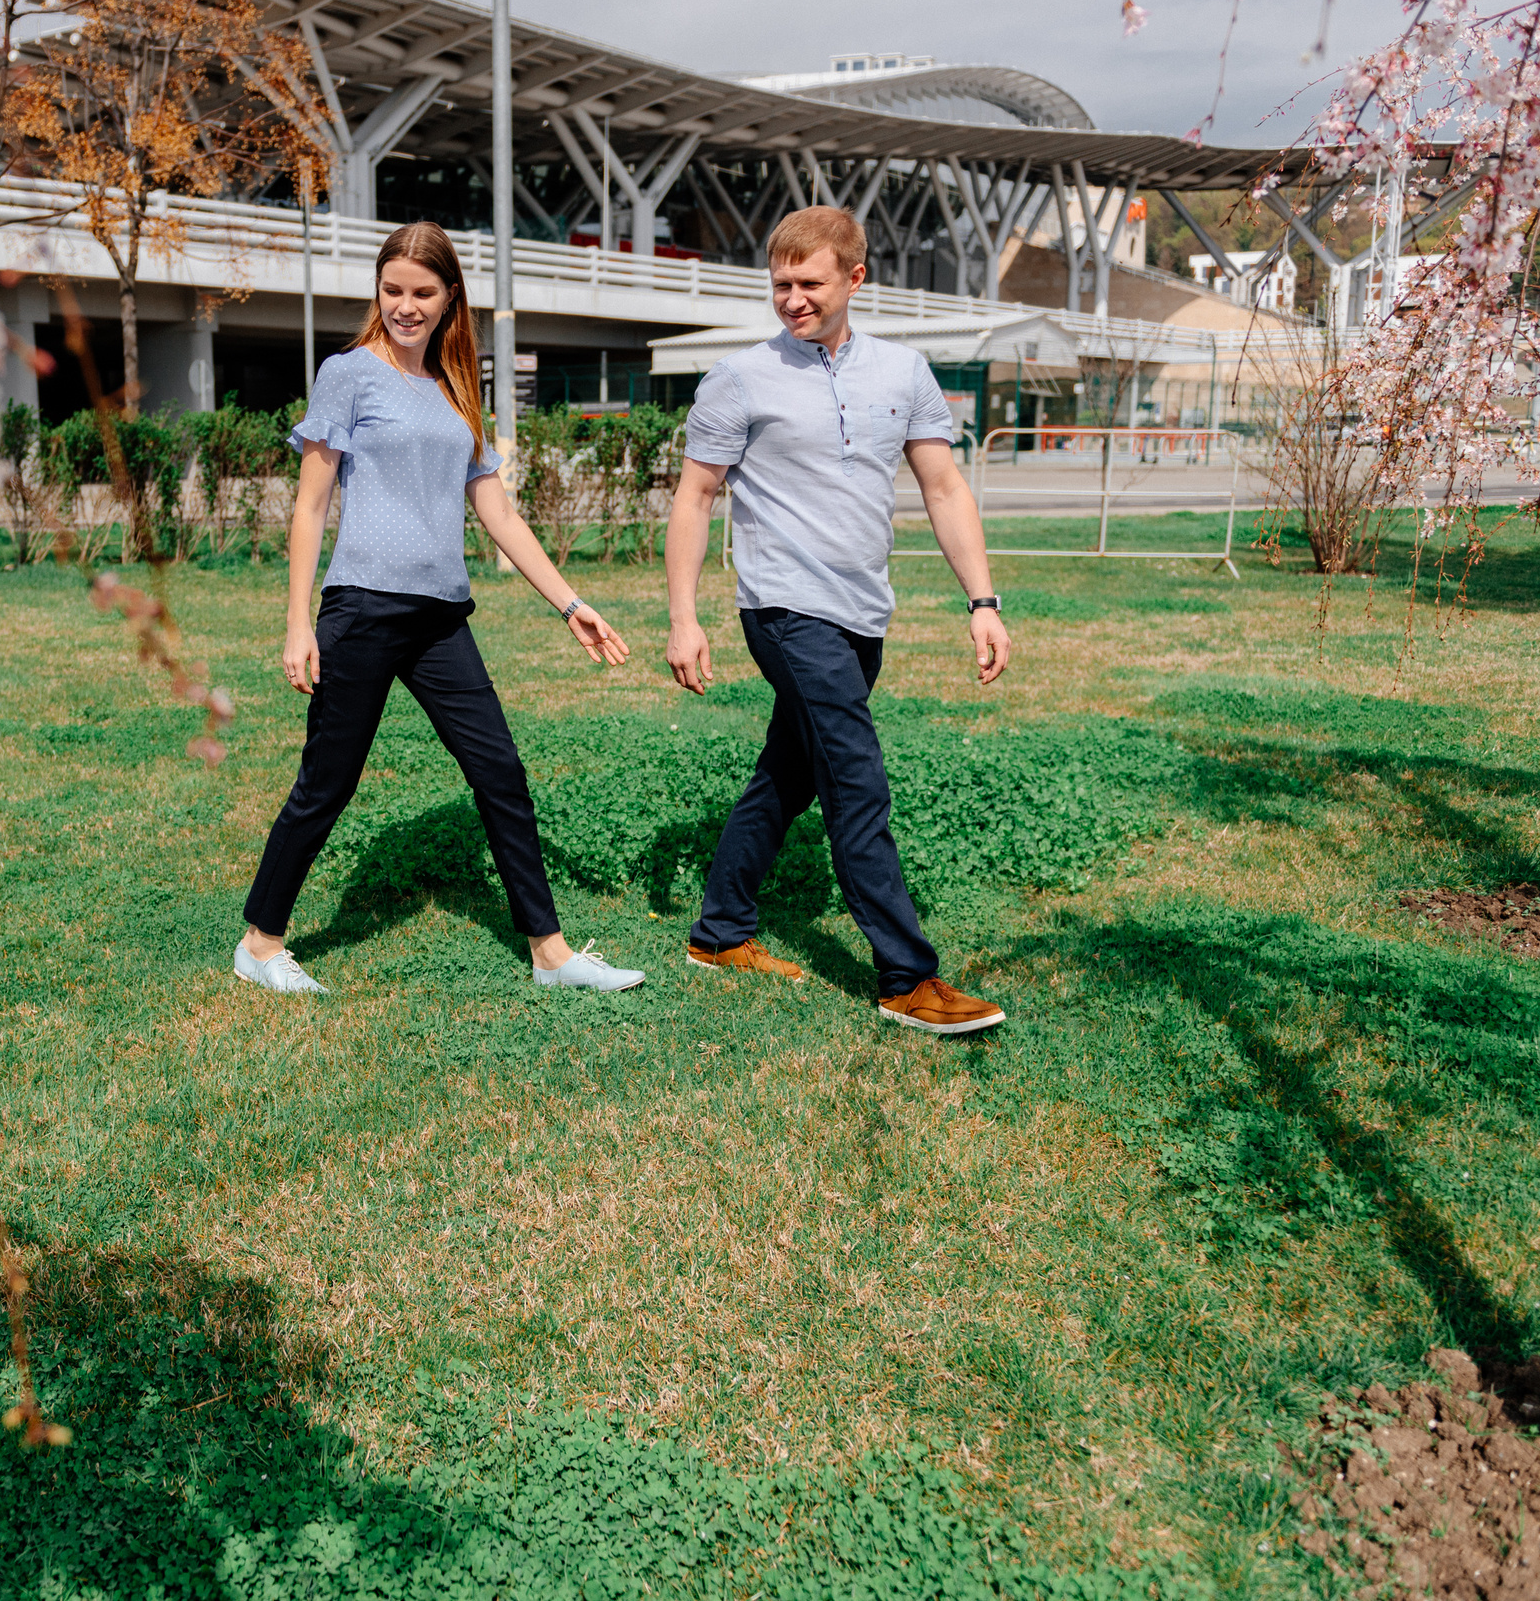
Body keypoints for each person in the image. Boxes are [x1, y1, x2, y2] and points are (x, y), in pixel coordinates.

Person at [235, 221, 645, 996]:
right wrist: (298, 623)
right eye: (393, 291)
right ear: (378, 291)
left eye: (423, 293)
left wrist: (571, 604)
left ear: (451, 297)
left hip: (441, 618)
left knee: (500, 771)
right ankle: (260, 941)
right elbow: (310, 507)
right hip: (359, 610)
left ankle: (550, 954)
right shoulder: (348, 373)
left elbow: (500, 514)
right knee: (329, 781)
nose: (406, 306)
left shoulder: (457, 391)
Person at [665, 206, 1012, 1034]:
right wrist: (684, 617)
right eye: (780, 284)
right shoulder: (739, 376)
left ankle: (719, 933)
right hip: (783, 608)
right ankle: (906, 978)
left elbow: (944, 488)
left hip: (862, 615)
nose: (792, 299)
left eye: (809, 283)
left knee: (788, 774)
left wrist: (984, 601)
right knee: (856, 779)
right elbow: (695, 496)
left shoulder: (904, 372)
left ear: (856, 278)